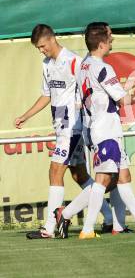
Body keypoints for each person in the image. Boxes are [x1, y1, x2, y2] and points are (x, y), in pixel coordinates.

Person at [65, 22, 135, 239]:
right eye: (110, 36)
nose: (112, 40)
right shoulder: (103, 67)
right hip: (106, 129)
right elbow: (122, 100)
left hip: (101, 128)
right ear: (102, 43)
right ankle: (86, 228)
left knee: (123, 176)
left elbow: (104, 95)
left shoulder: (84, 66)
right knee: (103, 180)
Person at [14, 24, 113, 239]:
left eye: (42, 46)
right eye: (38, 48)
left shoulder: (74, 61)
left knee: (55, 171)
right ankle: (109, 217)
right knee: (79, 175)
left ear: (52, 39)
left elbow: (88, 87)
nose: (41, 51)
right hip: (61, 128)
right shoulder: (47, 64)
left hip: (73, 127)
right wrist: (25, 115)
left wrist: (85, 110)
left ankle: (50, 227)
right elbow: (46, 95)